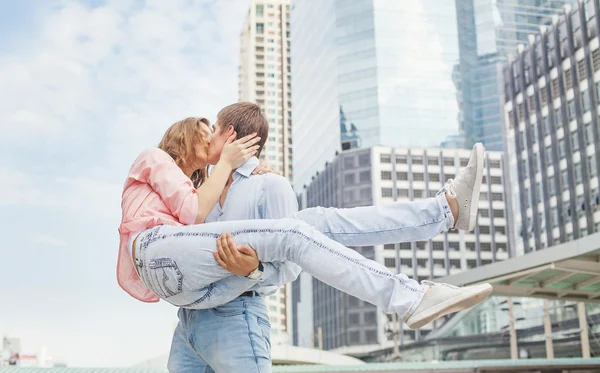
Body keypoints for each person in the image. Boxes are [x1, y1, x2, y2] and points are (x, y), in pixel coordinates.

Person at [117, 113, 492, 369]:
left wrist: (253, 271)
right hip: (159, 254)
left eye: (213, 128)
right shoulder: (158, 160)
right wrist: (230, 165)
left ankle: (444, 211)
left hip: (196, 295)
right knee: (295, 233)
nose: (211, 137)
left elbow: (272, 264)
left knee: (314, 222)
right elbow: (191, 215)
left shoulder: (229, 186)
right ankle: (411, 297)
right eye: (205, 131)